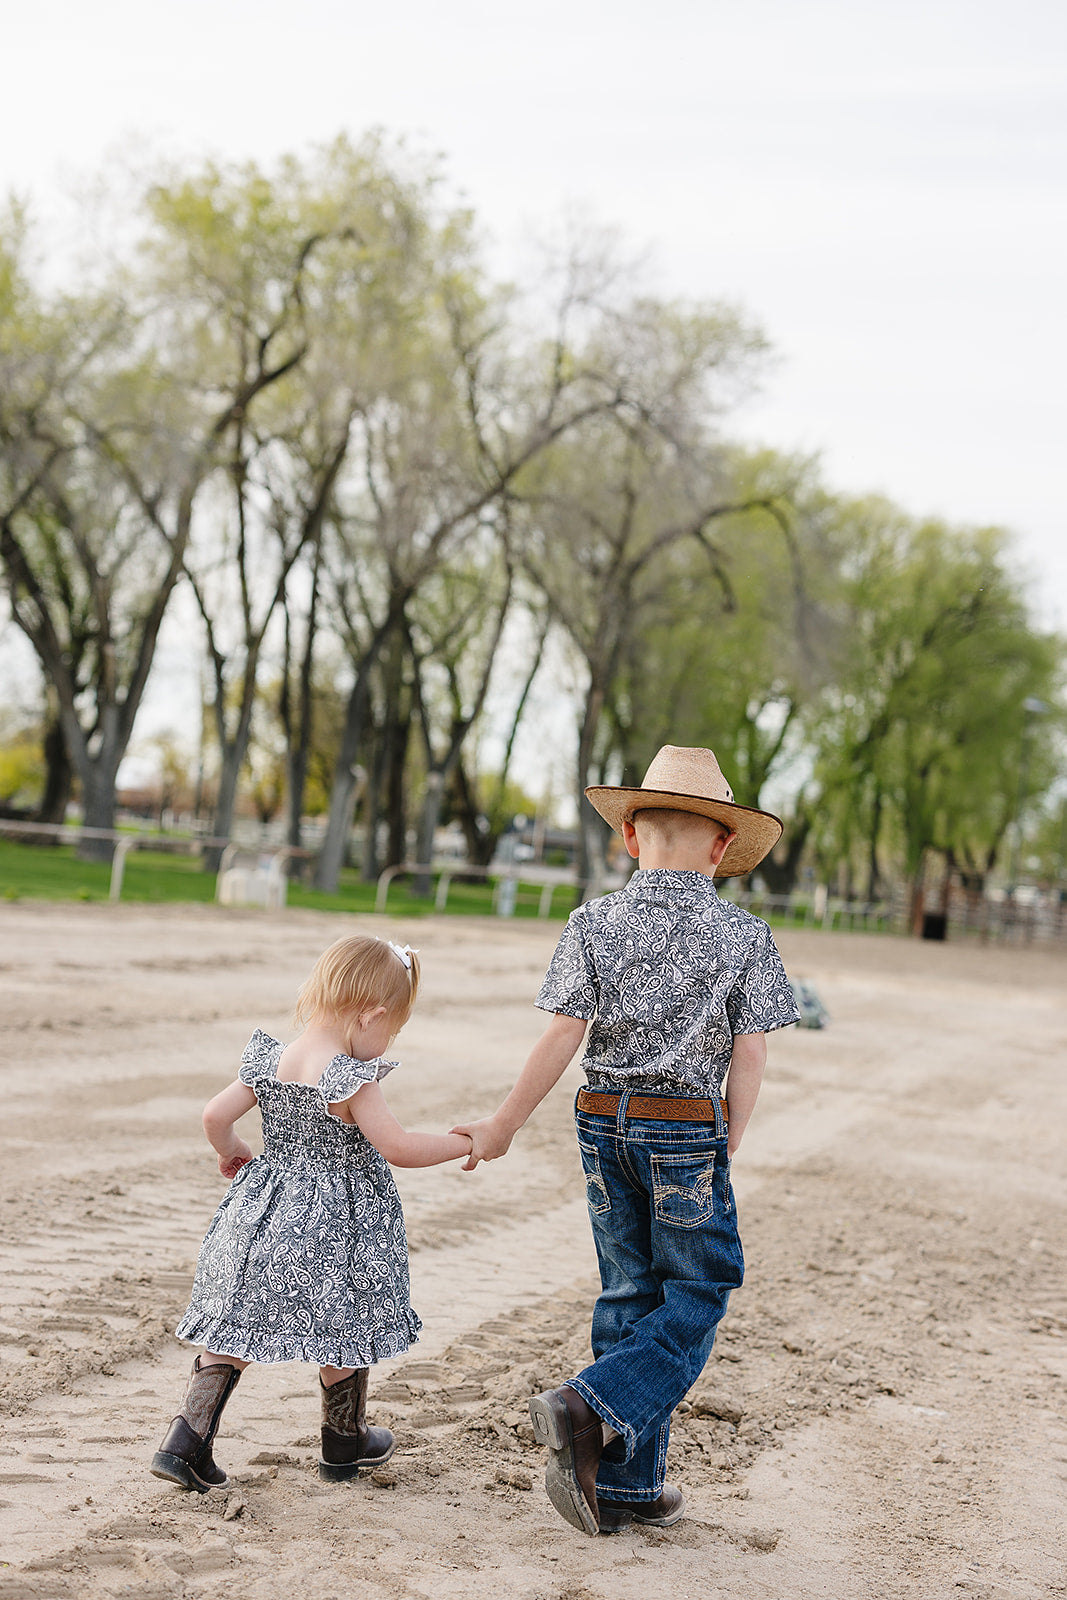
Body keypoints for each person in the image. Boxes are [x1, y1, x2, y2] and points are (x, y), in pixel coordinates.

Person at [453, 746, 800, 1535]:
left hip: (599, 1118)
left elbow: (562, 1033)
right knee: (699, 1288)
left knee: (628, 1291)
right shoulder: (743, 935)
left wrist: (504, 1123)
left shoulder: (591, 921)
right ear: (721, 849)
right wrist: (731, 1131)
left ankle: (628, 1486)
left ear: (630, 838)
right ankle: (587, 1404)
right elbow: (750, 1048)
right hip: (683, 1129)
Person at [151, 934, 473, 1494]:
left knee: (238, 1322)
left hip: (264, 1211)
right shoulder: (349, 1076)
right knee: (343, 1322)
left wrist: (233, 1152)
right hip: (337, 1222)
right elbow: (399, 1147)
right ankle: (343, 1439)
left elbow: (213, 1115)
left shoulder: (271, 1058)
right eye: (390, 1031)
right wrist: (465, 1142)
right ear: (370, 1016)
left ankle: (187, 1438)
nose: (385, 1043)